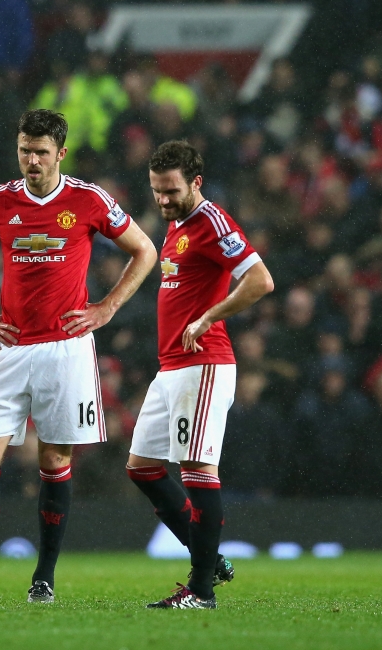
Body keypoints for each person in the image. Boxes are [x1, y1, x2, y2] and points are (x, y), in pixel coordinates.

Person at [0, 109, 157, 604]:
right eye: (25, 150)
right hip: (8, 347)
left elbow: (145, 250)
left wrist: (106, 307)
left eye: (41, 152)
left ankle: (43, 579)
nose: (32, 161)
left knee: (55, 458)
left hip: (66, 348)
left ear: (60, 153)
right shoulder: (0, 201)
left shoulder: (88, 200)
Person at [127, 140, 274, 610]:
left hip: (203, 364)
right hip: (170, 367)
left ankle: (202, 590)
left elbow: (260, 280)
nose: (164, 200)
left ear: (196, 183)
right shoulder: (175, 226)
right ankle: (206, 556)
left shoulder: (213, 221)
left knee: (196, 472)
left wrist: (210, 316)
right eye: (156, 191)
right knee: (142, 468)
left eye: (171, 191)